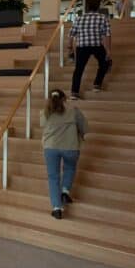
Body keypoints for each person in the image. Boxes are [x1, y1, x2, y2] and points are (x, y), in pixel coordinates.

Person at [39, 89, 87, 220]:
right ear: (64, 98)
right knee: (70, 168)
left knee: (53, 177)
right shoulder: (74, 111)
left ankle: (56, 208)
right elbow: (84, 126)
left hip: (50, 148)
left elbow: (43, 125)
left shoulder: (45, 112)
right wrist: (80, 135)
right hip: (70, 146)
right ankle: (65, 190)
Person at [69, 0, 111, 100]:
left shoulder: (79, 18)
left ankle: (74, 92)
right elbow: (107, 35)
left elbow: (71, 34)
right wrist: (108, 51)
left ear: (87, 7)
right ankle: (97, 84)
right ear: (98, 6)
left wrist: (69, 47)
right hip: (96, 45)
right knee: (105, 63)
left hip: (82, 46)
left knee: (78, 69)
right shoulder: (103, 18)